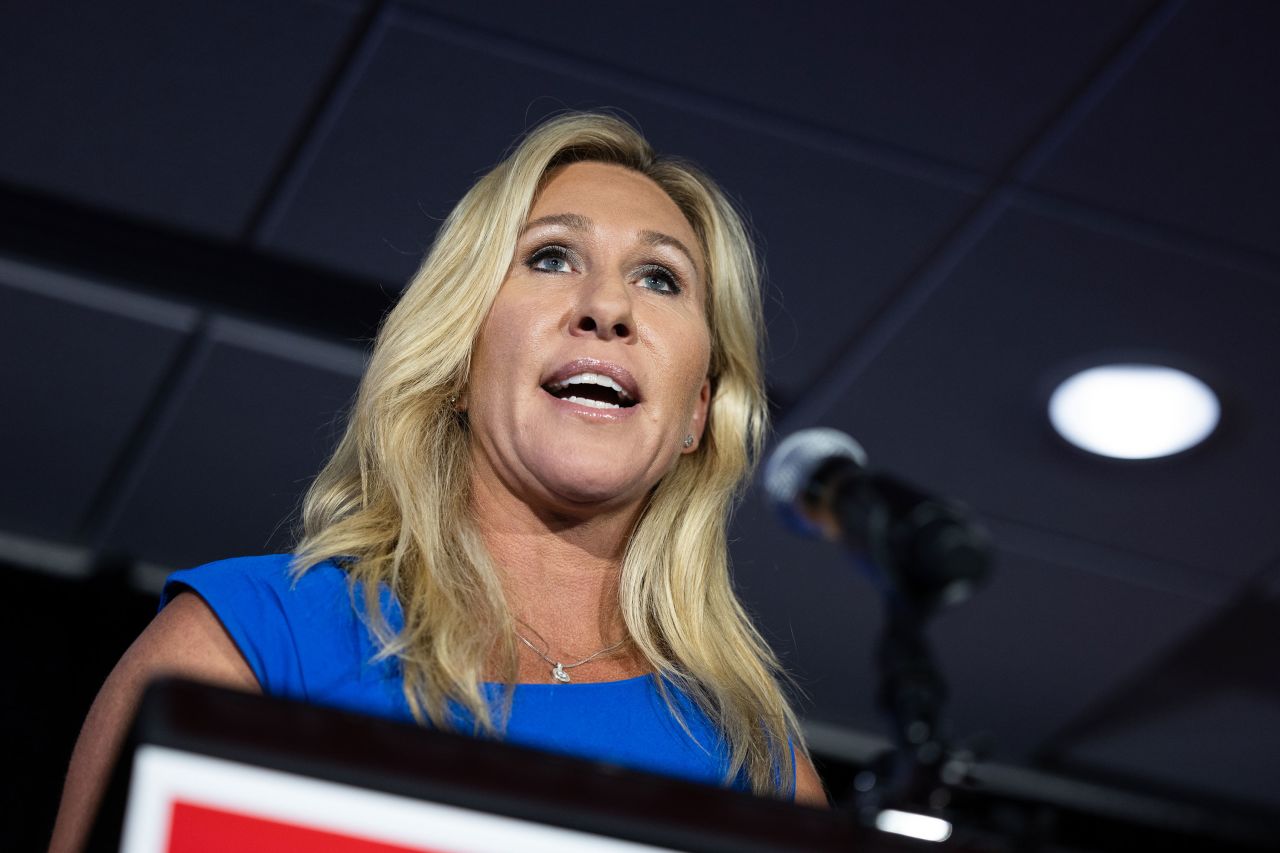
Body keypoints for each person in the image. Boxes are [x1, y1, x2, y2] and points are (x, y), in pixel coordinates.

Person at [49, 112, 827, 851]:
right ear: (458, 362)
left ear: (697, 410)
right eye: (551, 257)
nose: (608, 307)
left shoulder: (757, 765)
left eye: (660, 278)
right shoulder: (249, 648)